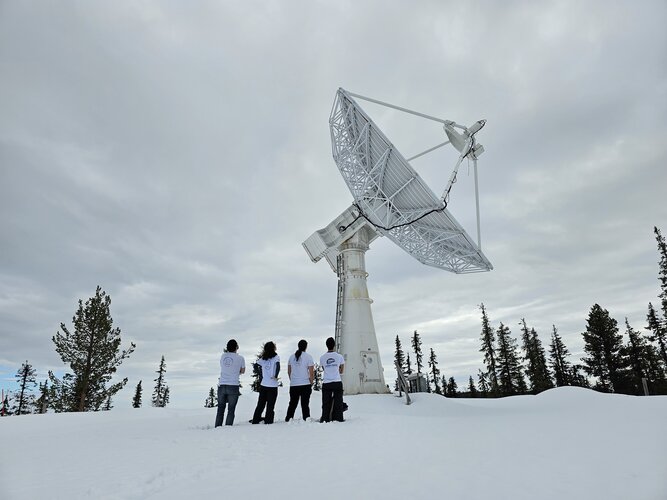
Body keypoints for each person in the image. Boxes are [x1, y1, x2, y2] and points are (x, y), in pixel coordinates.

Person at [215, 339, 245, 427]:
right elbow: (243, 371)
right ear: (237, 347)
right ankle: (227, 429)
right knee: (231, 410)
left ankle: (217, 427)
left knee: (220, 409)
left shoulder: (223, 356)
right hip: (233, 385)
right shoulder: (240, 358)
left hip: (222, 385)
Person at [285, 339, 315, 422]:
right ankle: (306, 418)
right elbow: (311, 372)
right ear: (306, 347)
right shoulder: (308, 357)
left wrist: (293, 380)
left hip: (294, 384)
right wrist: (311, 382)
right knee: (305, 404)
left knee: (292, 403)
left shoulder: (291, 357)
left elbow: (289, 371)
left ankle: (288, 418)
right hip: (305, 383)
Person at [251, 341, 280, 424]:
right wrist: (276, 375)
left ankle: (256, 419)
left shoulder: (263, 358)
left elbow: (255, 365)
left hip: (264, 384)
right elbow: (278, 366)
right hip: (273, 385)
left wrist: (260, 374)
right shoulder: (276, 357)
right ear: (273, 348)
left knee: (260, 404)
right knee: (270, 405)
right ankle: (269, 420)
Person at [319, 337, 345, 423]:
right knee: (338, 402)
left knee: (326, 402)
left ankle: (325, 418)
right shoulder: (339, 357)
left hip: (327, 382)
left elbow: (323, 368)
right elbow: (341, 370)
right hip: (337, 381)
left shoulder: (322, 357)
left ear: (326, 345)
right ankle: (338, 418)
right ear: (334, 345)